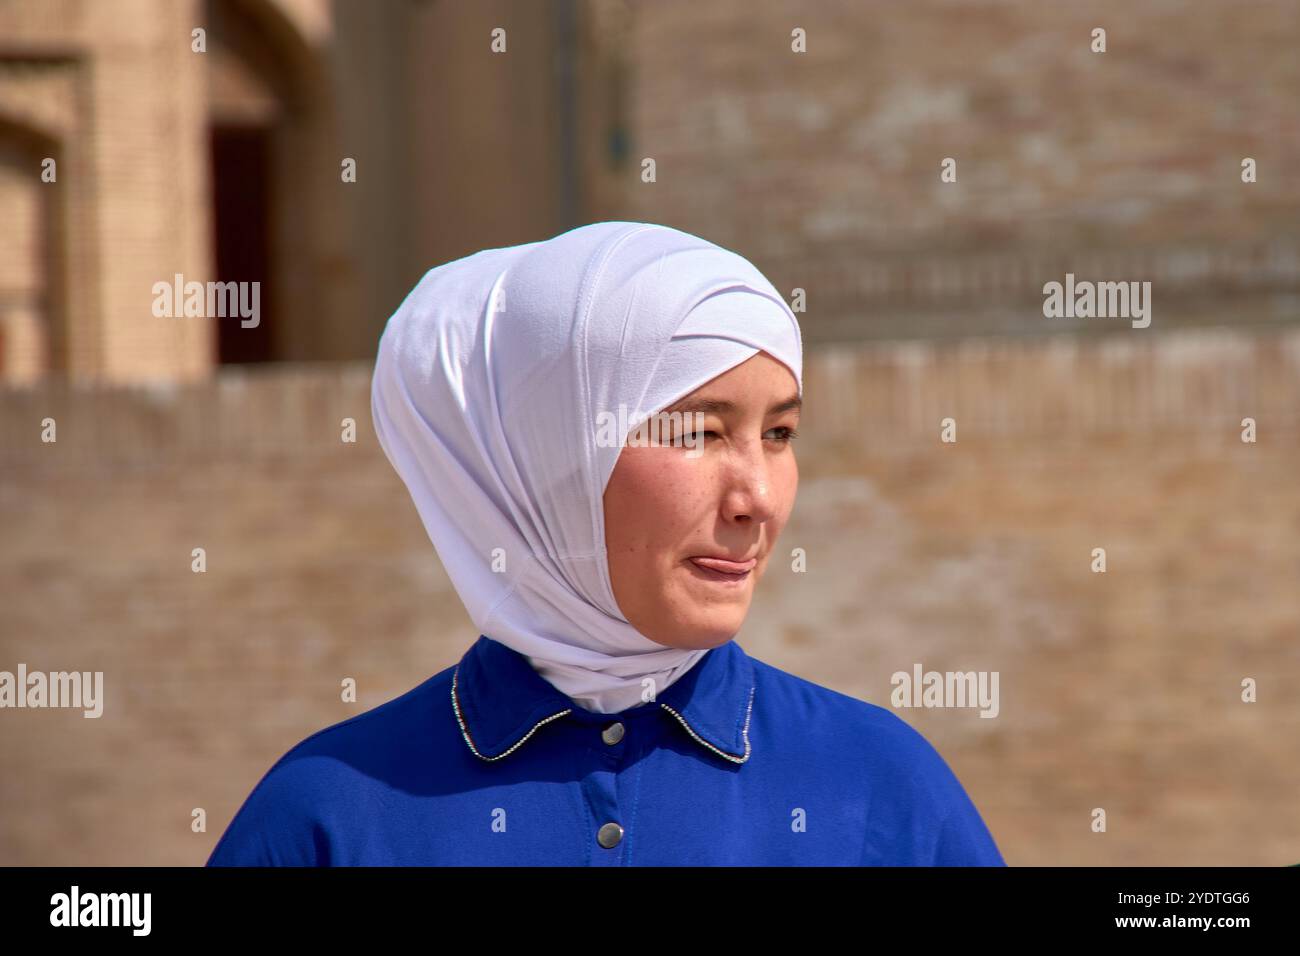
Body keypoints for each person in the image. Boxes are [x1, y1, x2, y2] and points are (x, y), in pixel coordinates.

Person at [206, 220, 1005, 866]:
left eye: (781, 432)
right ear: (547, 457)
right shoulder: (330, 816)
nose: (759, 498)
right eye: (698, 431)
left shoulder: (879, 788)